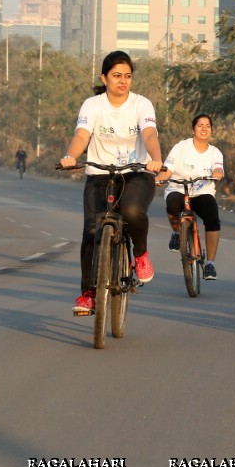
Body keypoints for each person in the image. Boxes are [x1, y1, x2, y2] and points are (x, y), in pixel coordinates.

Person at [60, 50, 163, 316]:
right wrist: (71, 156)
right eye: (116, 75)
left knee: (130, 211)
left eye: (127, 76)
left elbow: (149, 134)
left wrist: (156, 159)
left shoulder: (142, 104)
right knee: (92, 232)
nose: (123, 81)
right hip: (99, 173)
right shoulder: (92, 105)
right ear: (103, 77)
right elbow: (82, 134)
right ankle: (88, 294)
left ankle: (140, 255)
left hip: (137, 172)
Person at [158, 113, 225, 280]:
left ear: (211, 130)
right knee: (173, 203)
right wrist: (159, 178)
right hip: (180, 189)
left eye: (207, 126)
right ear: (193, 129)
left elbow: (218, 168)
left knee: (212, 217)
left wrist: (218, 173)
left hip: (202, 192)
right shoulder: (181, 147)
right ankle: (176, 232)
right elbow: (168, 168)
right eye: (200, 125)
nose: (204, 129)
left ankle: (210, 264)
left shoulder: (215, 152)